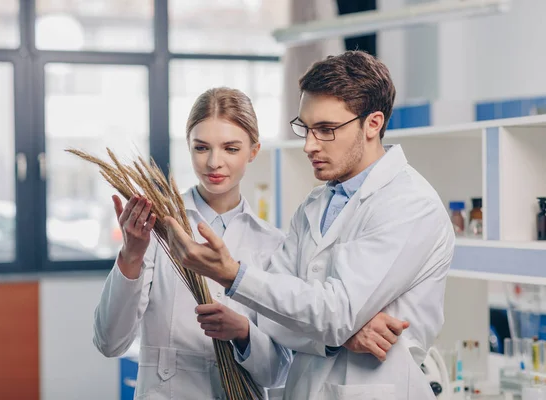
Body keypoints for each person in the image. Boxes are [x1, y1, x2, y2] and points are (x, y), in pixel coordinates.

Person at [165, 51, 456, 400]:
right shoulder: (314, 206)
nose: (308, 144)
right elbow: (269, 317)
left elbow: (334, 311)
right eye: (305, 127)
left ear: (373, 123)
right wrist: (340, 336)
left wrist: (234, 275)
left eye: (326, 130)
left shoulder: (409, 204)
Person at [92, 86, 408, 399]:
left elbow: (278, 371)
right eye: (201, 148)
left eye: (231, 148)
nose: (214, 162)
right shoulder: (158, 229)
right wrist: (130, 255)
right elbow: (110, 342)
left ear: (253, 151)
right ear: (188, 147)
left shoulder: (275, 244)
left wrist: (243, 332)